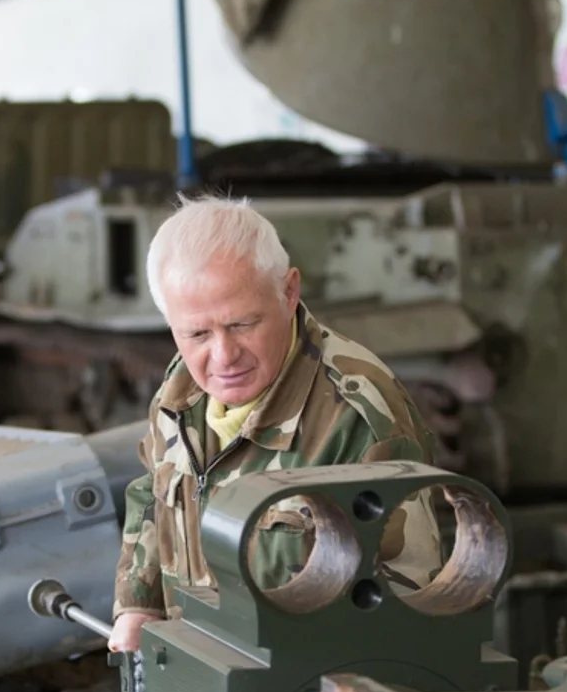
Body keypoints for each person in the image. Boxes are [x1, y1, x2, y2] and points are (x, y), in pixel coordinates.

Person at [109, 195, 442, 652]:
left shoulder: (359, 419)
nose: (223, 356)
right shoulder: (180, 392)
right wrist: (138, 605)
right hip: (194, 674)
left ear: (289, 293)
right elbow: (153, 491)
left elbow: (407, 603)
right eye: (197, 334)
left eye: (243, 324)